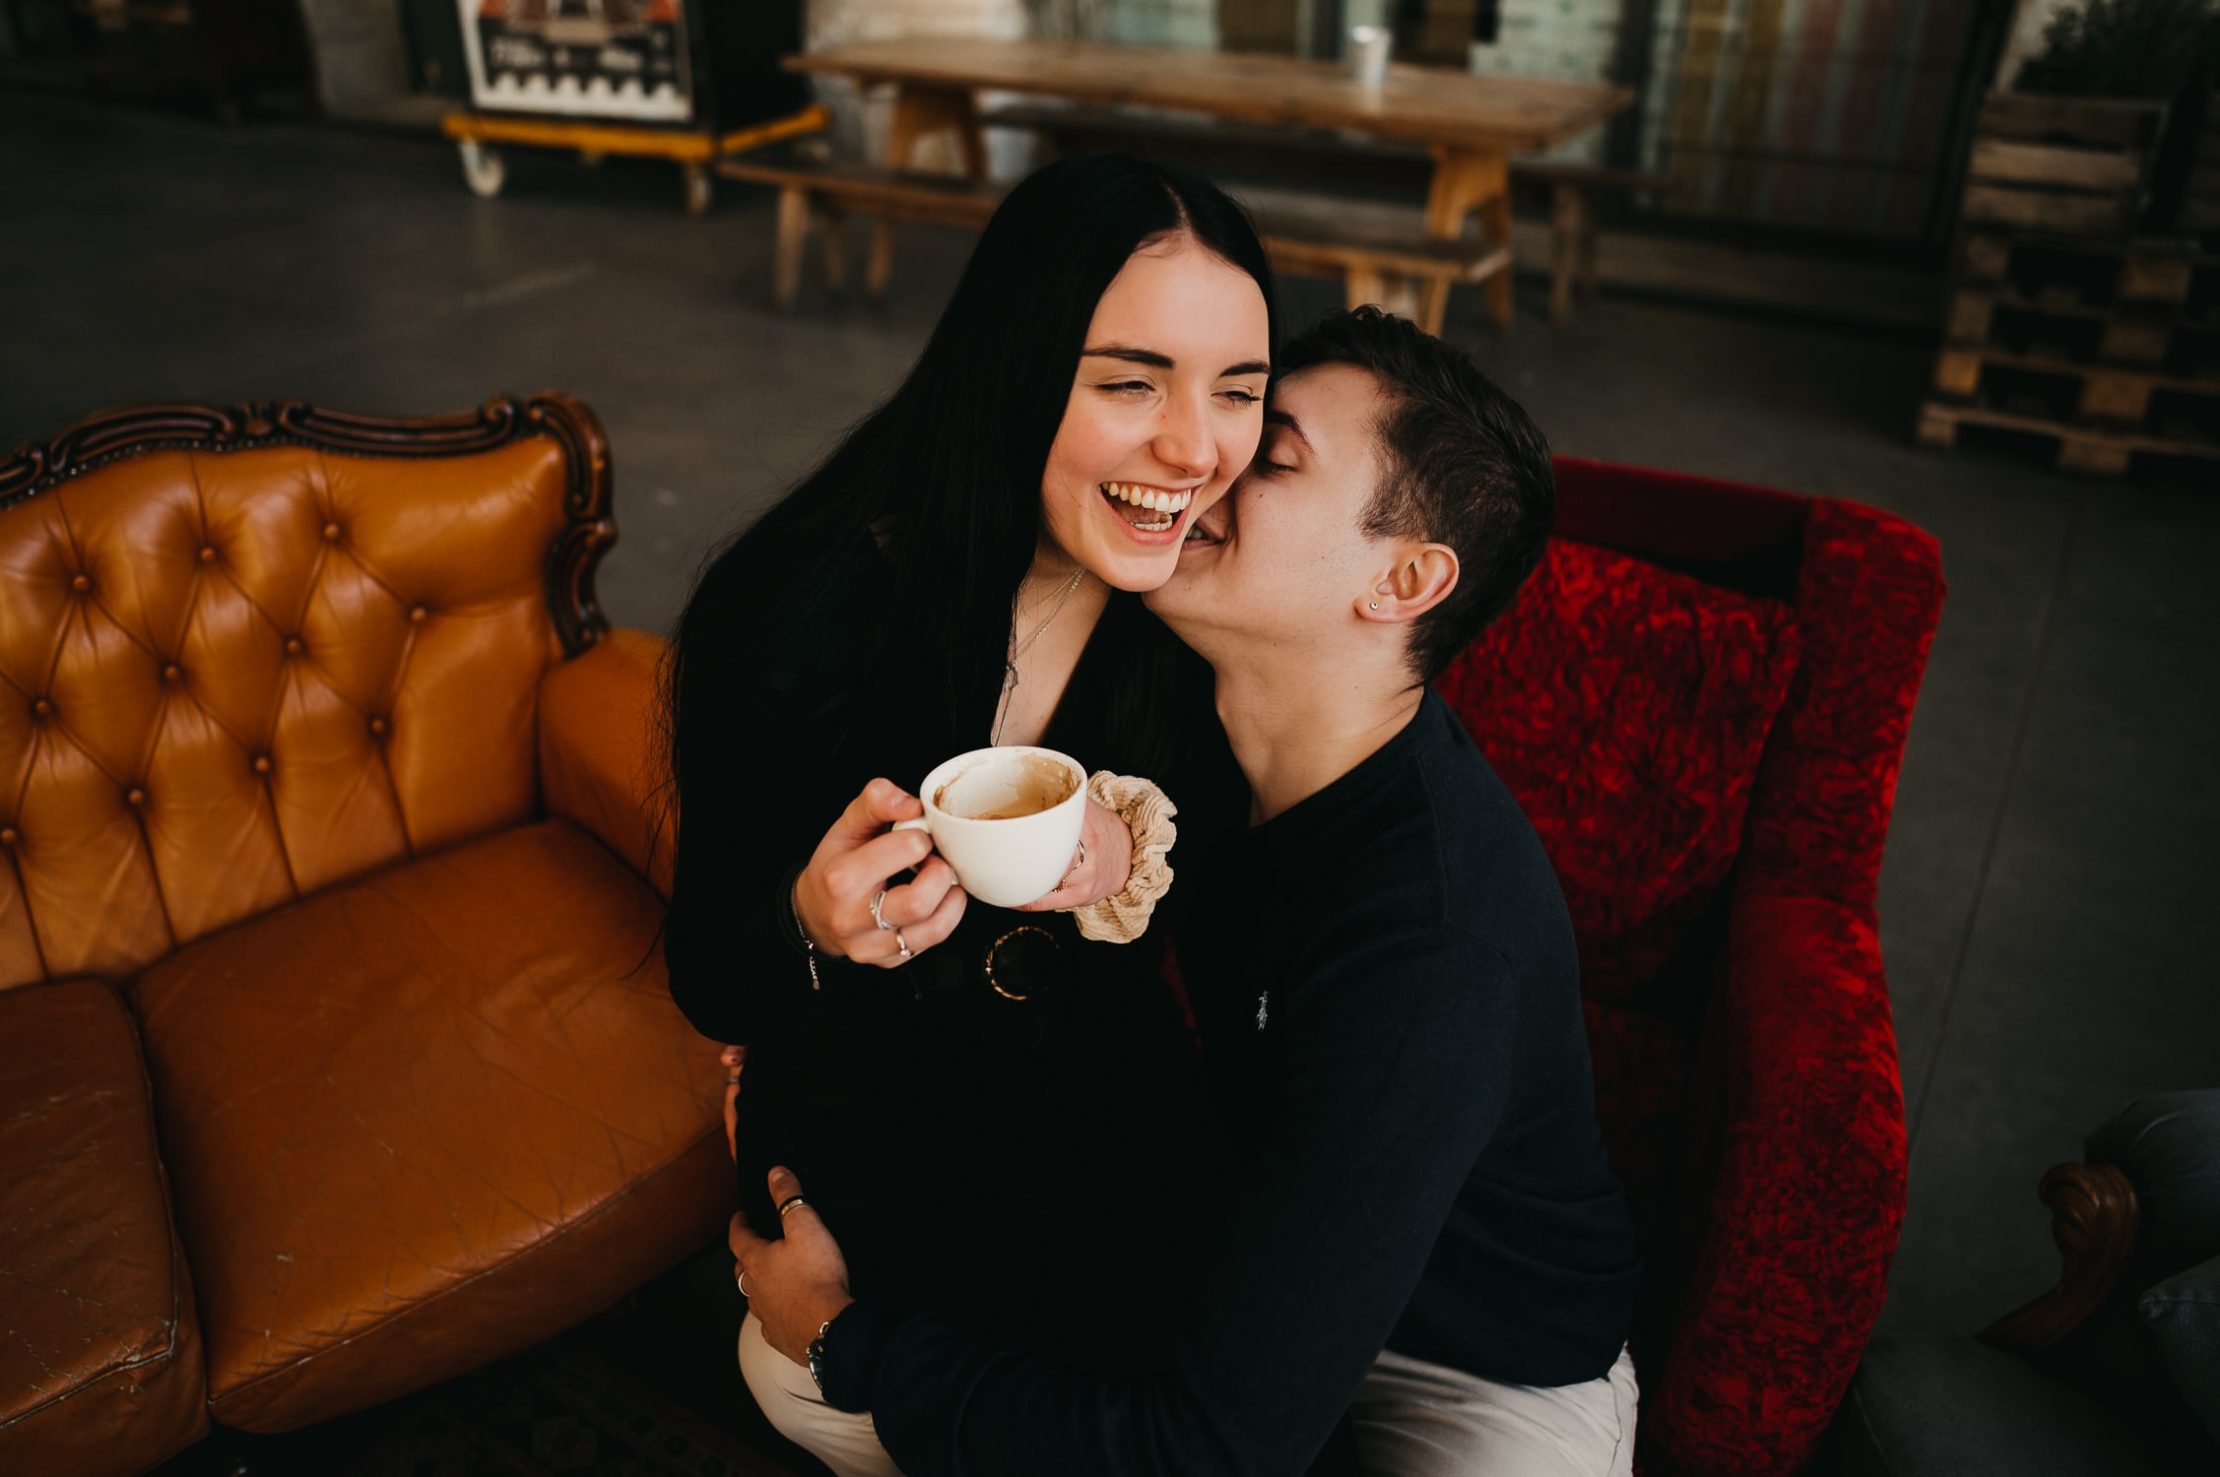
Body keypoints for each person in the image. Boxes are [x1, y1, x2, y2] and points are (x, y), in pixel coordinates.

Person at [729, 306, 1645, 1477]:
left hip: (1475, 1359)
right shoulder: (1193, 722)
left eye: (1271, 455)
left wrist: (854, 1343)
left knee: (833, 1363)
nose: (1204, 459)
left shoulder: (1433, 953)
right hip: (1239, 1237)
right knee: (779, 1367)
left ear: (1405, 579)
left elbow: (1210, 1450)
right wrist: (812, 1050)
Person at [659, 153, 1274, 1477]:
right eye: (1130, 381)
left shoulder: (1199, 610)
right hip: (875, 1175)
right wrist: (805, 925)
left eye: (1238, 390)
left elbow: (1241, 909)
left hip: (1103, 1152)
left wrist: (1135, 858)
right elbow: (710, 968)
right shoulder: (799, 612)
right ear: (1012, 364)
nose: (1196, 447)